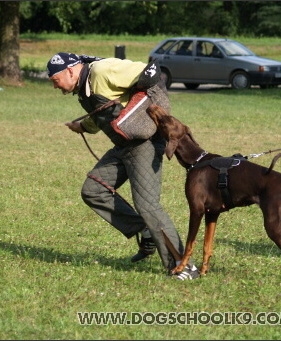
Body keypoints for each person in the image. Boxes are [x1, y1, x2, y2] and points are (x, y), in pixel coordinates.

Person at [47, 52, 199, 280]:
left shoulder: (101, 71)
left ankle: (183, 265)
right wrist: (83, 127)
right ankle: (145, 229)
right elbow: (102, 111)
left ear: (69, 70)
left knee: (148, 206)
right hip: (123, 148)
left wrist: (149, 109)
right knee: (93, 190)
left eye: (55, 81)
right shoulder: (84, 86)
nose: (55, 87)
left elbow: (149, 71)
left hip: (144, 145)